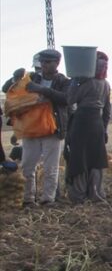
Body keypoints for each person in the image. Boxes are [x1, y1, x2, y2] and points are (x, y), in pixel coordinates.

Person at [15, 49, 70, 205]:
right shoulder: (31, 78)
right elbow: (8, 88)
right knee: (27, 166)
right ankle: (28, 200)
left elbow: (66, 99)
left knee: (50, 168)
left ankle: (48, 199)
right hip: (31, 129)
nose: (44, 65)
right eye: (43, 62)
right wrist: (16, 77)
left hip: (52, 130)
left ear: (57, 63)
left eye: (48, 62)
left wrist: (42, 90)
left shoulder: (64, 81)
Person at [64, 51, 111, 202]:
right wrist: (104, 129)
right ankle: (95, 192)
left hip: (82, 122)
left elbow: (70, 100)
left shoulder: (87, 83)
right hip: (97, 123)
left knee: (80, 158)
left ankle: (79, 194)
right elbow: (107, 110)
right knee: (95, 159)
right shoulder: (106, 84)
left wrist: (74, 82)